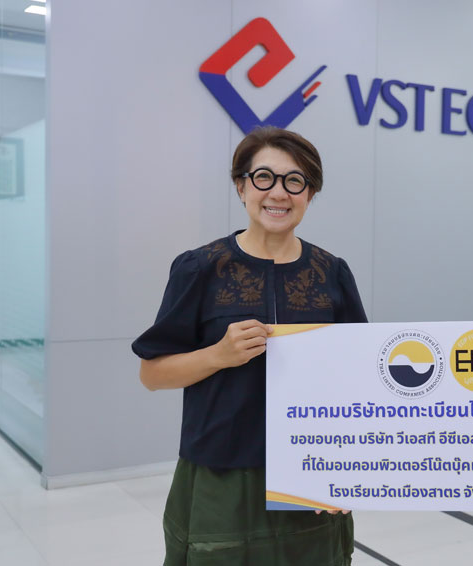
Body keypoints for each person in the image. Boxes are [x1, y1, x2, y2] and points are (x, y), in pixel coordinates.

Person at [132, 127, 366, 566]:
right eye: (263, 178)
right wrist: (217, 355)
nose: (278, 193)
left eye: (294, 181)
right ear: (241, 187)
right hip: (221, 476)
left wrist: (347, 469)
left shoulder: (332, 273)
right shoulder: (200, 268)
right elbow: (152, 374)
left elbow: (357, 380)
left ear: (310, 193)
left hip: (309, 471)